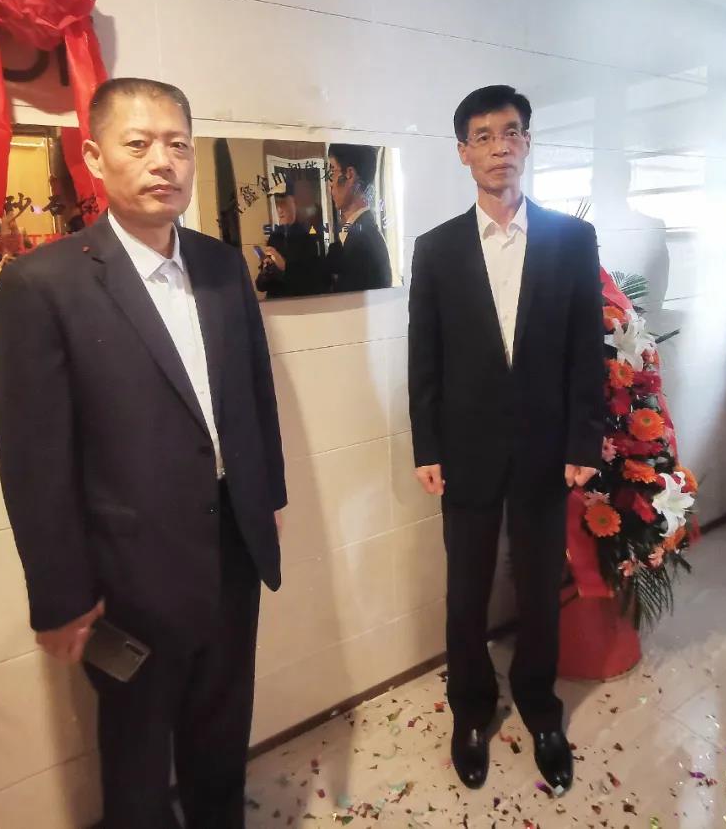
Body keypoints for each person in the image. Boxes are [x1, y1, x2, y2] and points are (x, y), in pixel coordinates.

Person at [0, 77, 287, 828]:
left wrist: (268, 498)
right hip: (126, 575)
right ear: (94, 157)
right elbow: (32, 460)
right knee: (137, 762)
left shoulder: (221, 266)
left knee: (222, 734)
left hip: (232, 548)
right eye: (139, 143)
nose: (163, 161)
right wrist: (60, 595)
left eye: (178, 144)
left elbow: (255, 394)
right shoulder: (42, 284)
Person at [408, 85, 605, 793]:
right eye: (484, 136)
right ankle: (471, 708)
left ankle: (540, 705)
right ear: (464, 152)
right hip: (464, 452)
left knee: (539, 585)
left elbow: (587, 348)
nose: (500, 148)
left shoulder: (571, 240)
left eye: (512, 132)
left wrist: (584, 441)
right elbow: (424, 356)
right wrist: (427, 447)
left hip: (548, 449)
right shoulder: (436, 249)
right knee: (465, 590)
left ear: (528, 143)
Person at [325, 143, 392, 292]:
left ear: (349, 174)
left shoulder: (362, 244)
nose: (330, 183)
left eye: (332, 171)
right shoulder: (361, 233)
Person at [257, 177, 329, 298]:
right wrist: (265, 272)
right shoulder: (274, 238)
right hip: (274, 304)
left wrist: (284, 266)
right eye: (277, 204)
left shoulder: (309, 238)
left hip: (298, 305)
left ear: (295, 203)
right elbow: (260, 286)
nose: (279, 210)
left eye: (283, 204)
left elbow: (313, 282)